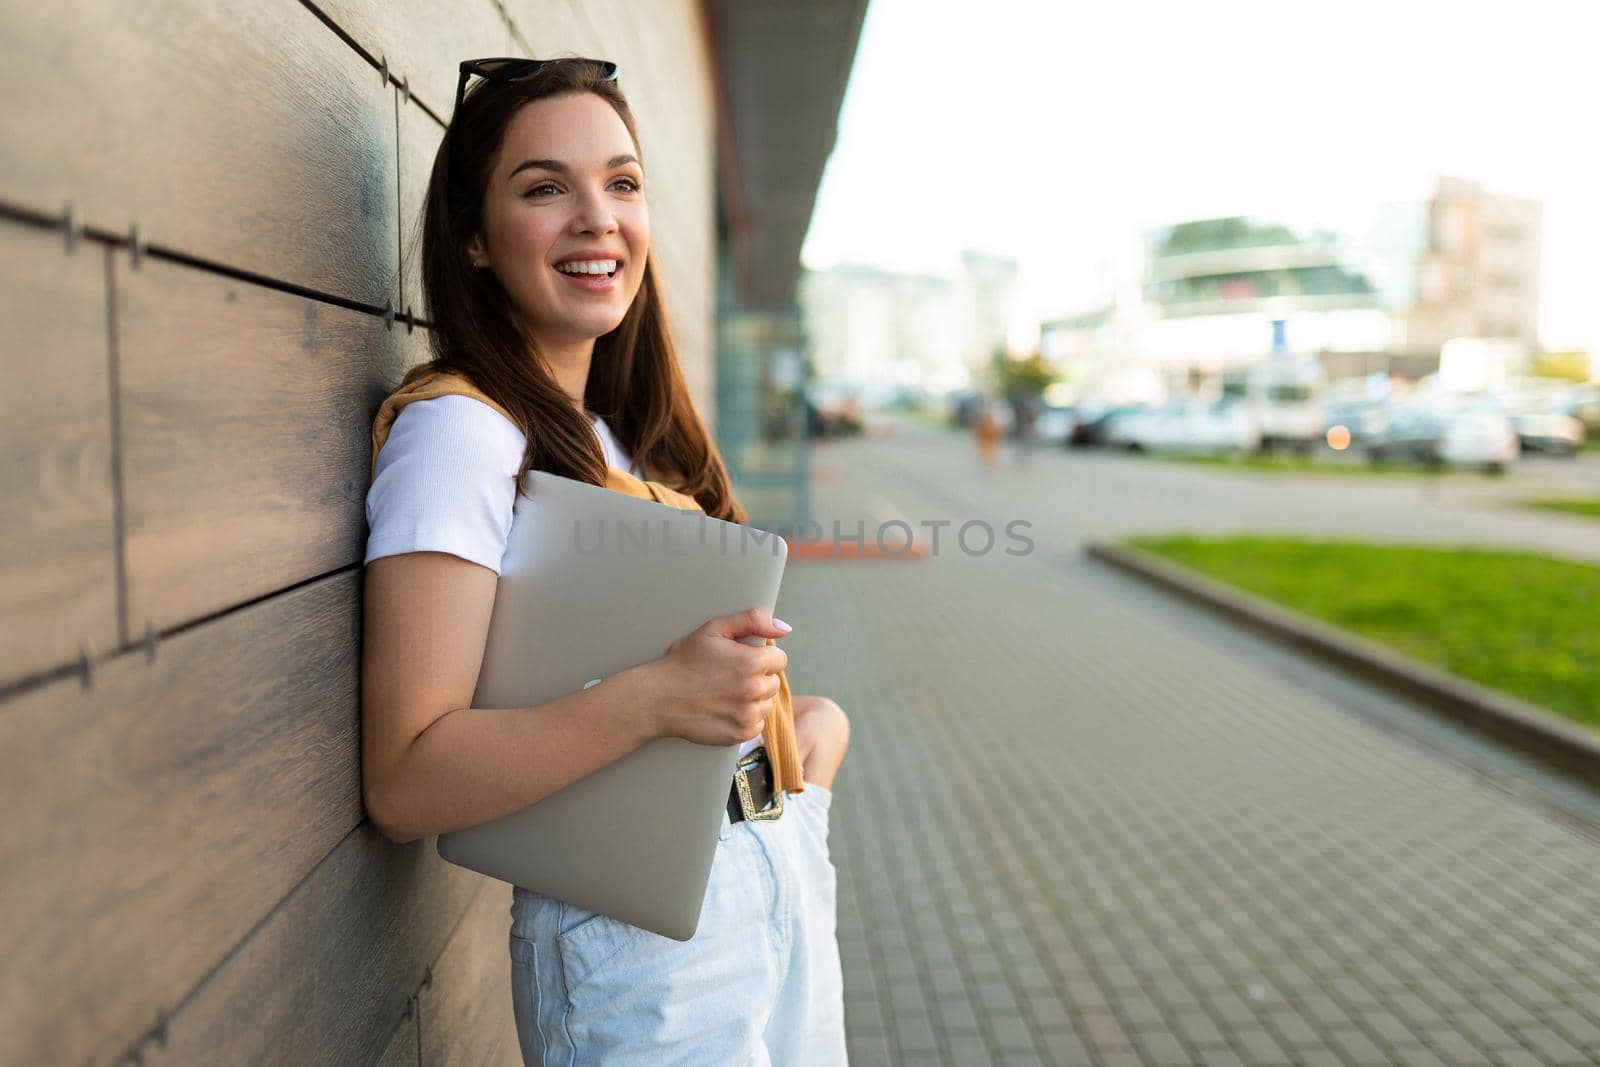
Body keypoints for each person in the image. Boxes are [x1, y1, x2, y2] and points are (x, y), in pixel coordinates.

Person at [359, 57, 851, 1065]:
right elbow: (406, 780)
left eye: (622, 183)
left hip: (766, 878)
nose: (597, 217)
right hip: (641, 944)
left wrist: (798, 750)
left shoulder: (626, 441)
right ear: (472, 236)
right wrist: (659, 699)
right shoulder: (460, 434)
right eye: (546, 187)